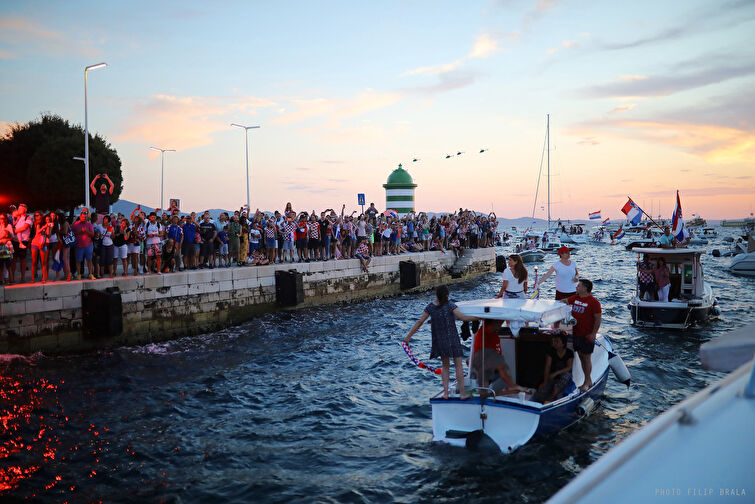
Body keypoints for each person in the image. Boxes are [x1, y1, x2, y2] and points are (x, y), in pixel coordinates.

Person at [404, 285, 479, 400]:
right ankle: (463, 394)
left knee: (445, 366)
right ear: (447, 295)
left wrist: (408, 337)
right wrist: (478, 317)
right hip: (452, 338)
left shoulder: (430, 308)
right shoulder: (450, 305)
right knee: (458, 365)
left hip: (440, 340)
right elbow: (463, 317)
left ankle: (446, 393)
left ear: (436, 295)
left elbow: (420, 322)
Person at [563, 279, 601, 392]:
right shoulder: (575, 298)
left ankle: (587, 381)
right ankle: (587, 380)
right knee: (580, 357)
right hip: (576, 334)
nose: (576, 288)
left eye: (578, 286)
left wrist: (594, 333)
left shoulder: (594, 302)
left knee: (586, 357)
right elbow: (565, 301)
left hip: (587, 335)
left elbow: (598, 319)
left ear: (585, 288)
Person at [532, 333, 574, 403]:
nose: (554, 343)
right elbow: (547, 366)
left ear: (563, 343)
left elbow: (569, 367)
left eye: (557, 341)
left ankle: (553, 396)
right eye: (554, 341)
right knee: (539, 394)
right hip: (552, 377)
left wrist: (556, 373)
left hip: (563, 377)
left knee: (567, 375)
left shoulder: (569, 353)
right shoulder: (551, 351)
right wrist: (545, 382)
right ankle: (550, 397)